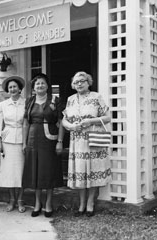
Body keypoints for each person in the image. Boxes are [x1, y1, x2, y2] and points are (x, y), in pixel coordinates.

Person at [62, 71, 111, 217]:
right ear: (73, 85)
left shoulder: (96, 97)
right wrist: (70, 127)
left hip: (93, 139)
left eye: (82, 81)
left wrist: (90, 121)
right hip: (77, 141)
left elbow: (108, 117)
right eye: (76, 82)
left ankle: (90, 203)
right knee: (81, 173)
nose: (79, 84)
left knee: (93, 171)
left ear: (88, 82)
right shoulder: (70, 99)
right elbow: (64, 119)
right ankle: (81, 204)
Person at [22, 73, 64, 218]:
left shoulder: (55, 100)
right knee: (35, 171)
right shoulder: (29, 101)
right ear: (33, 87)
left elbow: (60, 122)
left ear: (47, 86)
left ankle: (48, 203)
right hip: (33, 138)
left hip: (49, 139)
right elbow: (26, 123)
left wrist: (60, 141)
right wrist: (24, 142)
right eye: (37, 84)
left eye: (42, 83)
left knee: (49, 171)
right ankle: (37, 203)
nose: (40, 86)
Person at [0, 76, 26, 213]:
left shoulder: (26, 103)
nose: (12, 89)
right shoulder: (3, 104)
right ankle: (11, 199)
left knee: (19, 171)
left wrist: (26, 142)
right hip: (7, 139)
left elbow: (27, 123)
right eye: (10, 87)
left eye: (14, 87)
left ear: (20, 89)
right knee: (8, 172)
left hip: (21, 139)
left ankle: (20, 200)